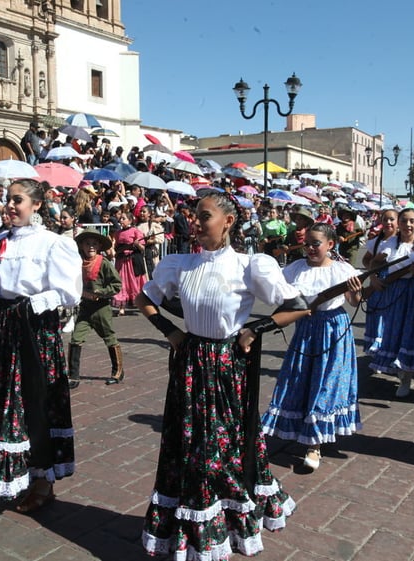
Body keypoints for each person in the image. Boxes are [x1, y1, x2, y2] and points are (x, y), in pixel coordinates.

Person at [136, 191, 306, 559]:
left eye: (205, 215)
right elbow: (143, 298)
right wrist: (171, 331)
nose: (196, 223)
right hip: (190, 363)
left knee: (222, 448)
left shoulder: (249, 265)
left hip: (227, 367)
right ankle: (194, 529)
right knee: (189, 447)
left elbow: (297, 306)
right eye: (195, 216)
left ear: (228, 221)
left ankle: (224, 526)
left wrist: (254, 329)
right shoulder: (179, 264)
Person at [0, 179, 82, 512]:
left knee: (36, 401)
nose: (10, 206)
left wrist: (33, 304)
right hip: (0, 329)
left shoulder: (52, 244)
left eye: (18, 200)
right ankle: (16, 471)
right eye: (7, 200)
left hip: (34, 331)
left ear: (37, 205)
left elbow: (68, 291)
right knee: (3, 400)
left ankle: (44, 480)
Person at [261, 223, 363, 471]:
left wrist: (357, 292)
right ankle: (300, 429)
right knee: (299, 379)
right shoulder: (295, 269)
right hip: (305, 329)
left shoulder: (343, 269)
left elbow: (354, 301)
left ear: (330, 244)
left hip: (334, 330)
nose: (309, 248)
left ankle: (314, 444)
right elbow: (281, 297)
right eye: (306, 243)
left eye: (315, 243)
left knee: (326, 383)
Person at [367, 208, 414, 397]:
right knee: (394, 330)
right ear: (399, 223)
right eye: (404, 221)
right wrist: (374, 279)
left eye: (412, 221)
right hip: (395, 292)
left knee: (411, 332)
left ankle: (406, 376)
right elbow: (374, 263)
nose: (408, 225)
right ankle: (401, 371)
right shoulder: (390, 244)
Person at [67, 231, 123, 388]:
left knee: (109, 338)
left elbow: (117, 284)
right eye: (87, 243)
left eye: (94, 243)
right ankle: (73, 375)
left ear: (99, 246)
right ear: (82, 246)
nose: (90, 246)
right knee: (76, 338)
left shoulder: (103, 262)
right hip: (85, 307)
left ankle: (118, 372)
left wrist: (102, 292)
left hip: (101, 308)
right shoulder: (77, 262)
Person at [362, 208, 398, 355]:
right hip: (378, 283)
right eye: (385, 219)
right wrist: (374, 273)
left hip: (397, 282)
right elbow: (366, 260)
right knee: (377, 316)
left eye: (392, 219)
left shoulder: (404, 240)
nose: (388, 222)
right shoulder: (376, 241)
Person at [112, 211, 146, 316]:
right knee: (122, 284)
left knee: (134, 283)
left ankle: (141, 304)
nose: (121, 220)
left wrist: (137, 244)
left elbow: (142, 247)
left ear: (130, 220)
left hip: (132, 262)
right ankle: (121, 307)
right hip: (121, 262)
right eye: (120, 218)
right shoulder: (118, 233)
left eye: (123, 218)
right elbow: (116, 246)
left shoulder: (135, 231)